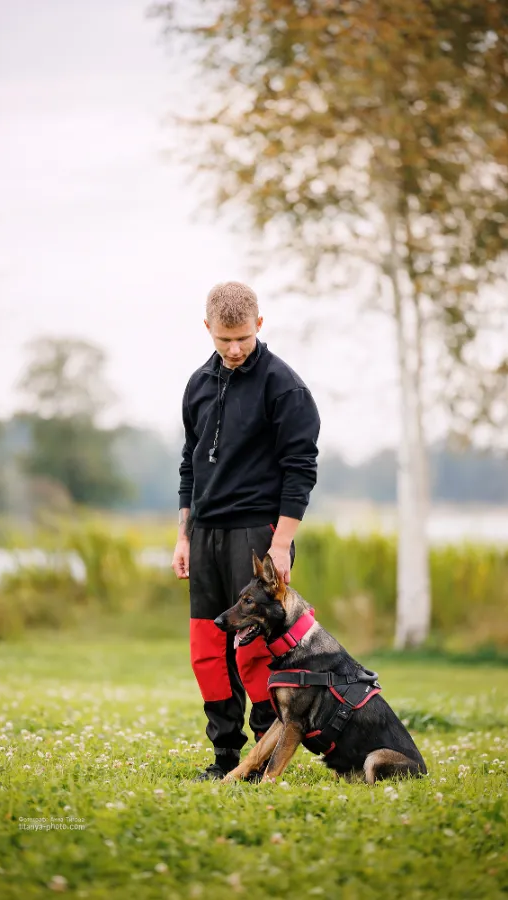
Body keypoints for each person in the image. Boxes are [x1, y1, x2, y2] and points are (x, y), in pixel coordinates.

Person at [172, 281, 320, 780]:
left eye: (242, 338)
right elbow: (190, 465)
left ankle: (263, 757)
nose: (234, 349)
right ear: (207, 329)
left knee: (254, 650)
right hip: (206, 533)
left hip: (258, 532)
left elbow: (301, 468)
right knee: (207, 650)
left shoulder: (285, 387)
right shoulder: (197, 384)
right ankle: (224, 758)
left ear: (259, 324)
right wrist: (184, 535)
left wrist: (280, 543)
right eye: (224, 339)